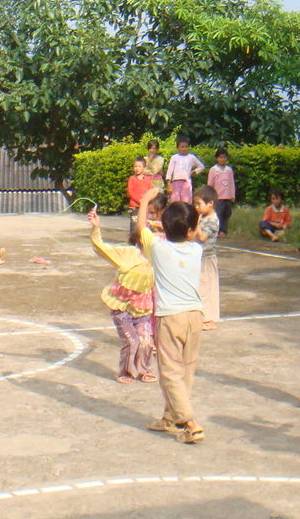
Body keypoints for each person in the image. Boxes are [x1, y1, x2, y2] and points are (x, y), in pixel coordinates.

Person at [136, 186, 205, 444]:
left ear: (164, 227)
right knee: (185, 371)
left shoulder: (159, 249)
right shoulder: (196, 250)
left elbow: (141, 228)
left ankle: (190, 422)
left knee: (169, 372)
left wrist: (145, 199)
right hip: (195, 317)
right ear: (190, 229)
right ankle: (170, 417)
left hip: (170, 317)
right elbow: (193, 233)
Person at [87, 207, 156, 384]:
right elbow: (102, 248)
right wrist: (96, 228)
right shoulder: (129, 254)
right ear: (141, 239)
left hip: (143, 307)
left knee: (145, 341)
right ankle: (125, 372)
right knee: (131, 341)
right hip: (121, 307)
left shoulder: (159, 257)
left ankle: (144, 369)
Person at [193, 186, 221, 329]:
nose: (197, 207)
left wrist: (196, 224)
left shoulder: (212, 219)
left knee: (206, 288)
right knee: (199, 287)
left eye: (199, 204)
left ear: (210, 203)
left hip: (207, 259)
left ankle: (209, 319)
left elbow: (203, 237)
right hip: (199, 257)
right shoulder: (203, 217)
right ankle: (201, 317)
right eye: (195, 204)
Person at [165, 136, 205, 204]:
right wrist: (169, 184)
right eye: (182, 147)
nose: (184, 149)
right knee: (175, 202)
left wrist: (194, 172)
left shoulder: (191, 157)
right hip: (175, 183)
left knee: (186, 202)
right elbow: (169, 171)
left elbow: (201, 166)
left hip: (186, 182)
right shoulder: (174, 157)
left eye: (186, 147)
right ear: (178, 148)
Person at [208, 148, 236, 237]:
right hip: (218, 197)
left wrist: (232, 195)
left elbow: (231, 183)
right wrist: (210, 196)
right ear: (217, 158)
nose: (222, 159)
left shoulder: (229, 170)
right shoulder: (213, 169)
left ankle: (223, 231)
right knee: (218, 214)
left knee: (226, 214)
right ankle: (217, 231)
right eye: (220, 157)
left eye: (224, 157)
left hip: (227, 196)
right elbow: (210, 184)